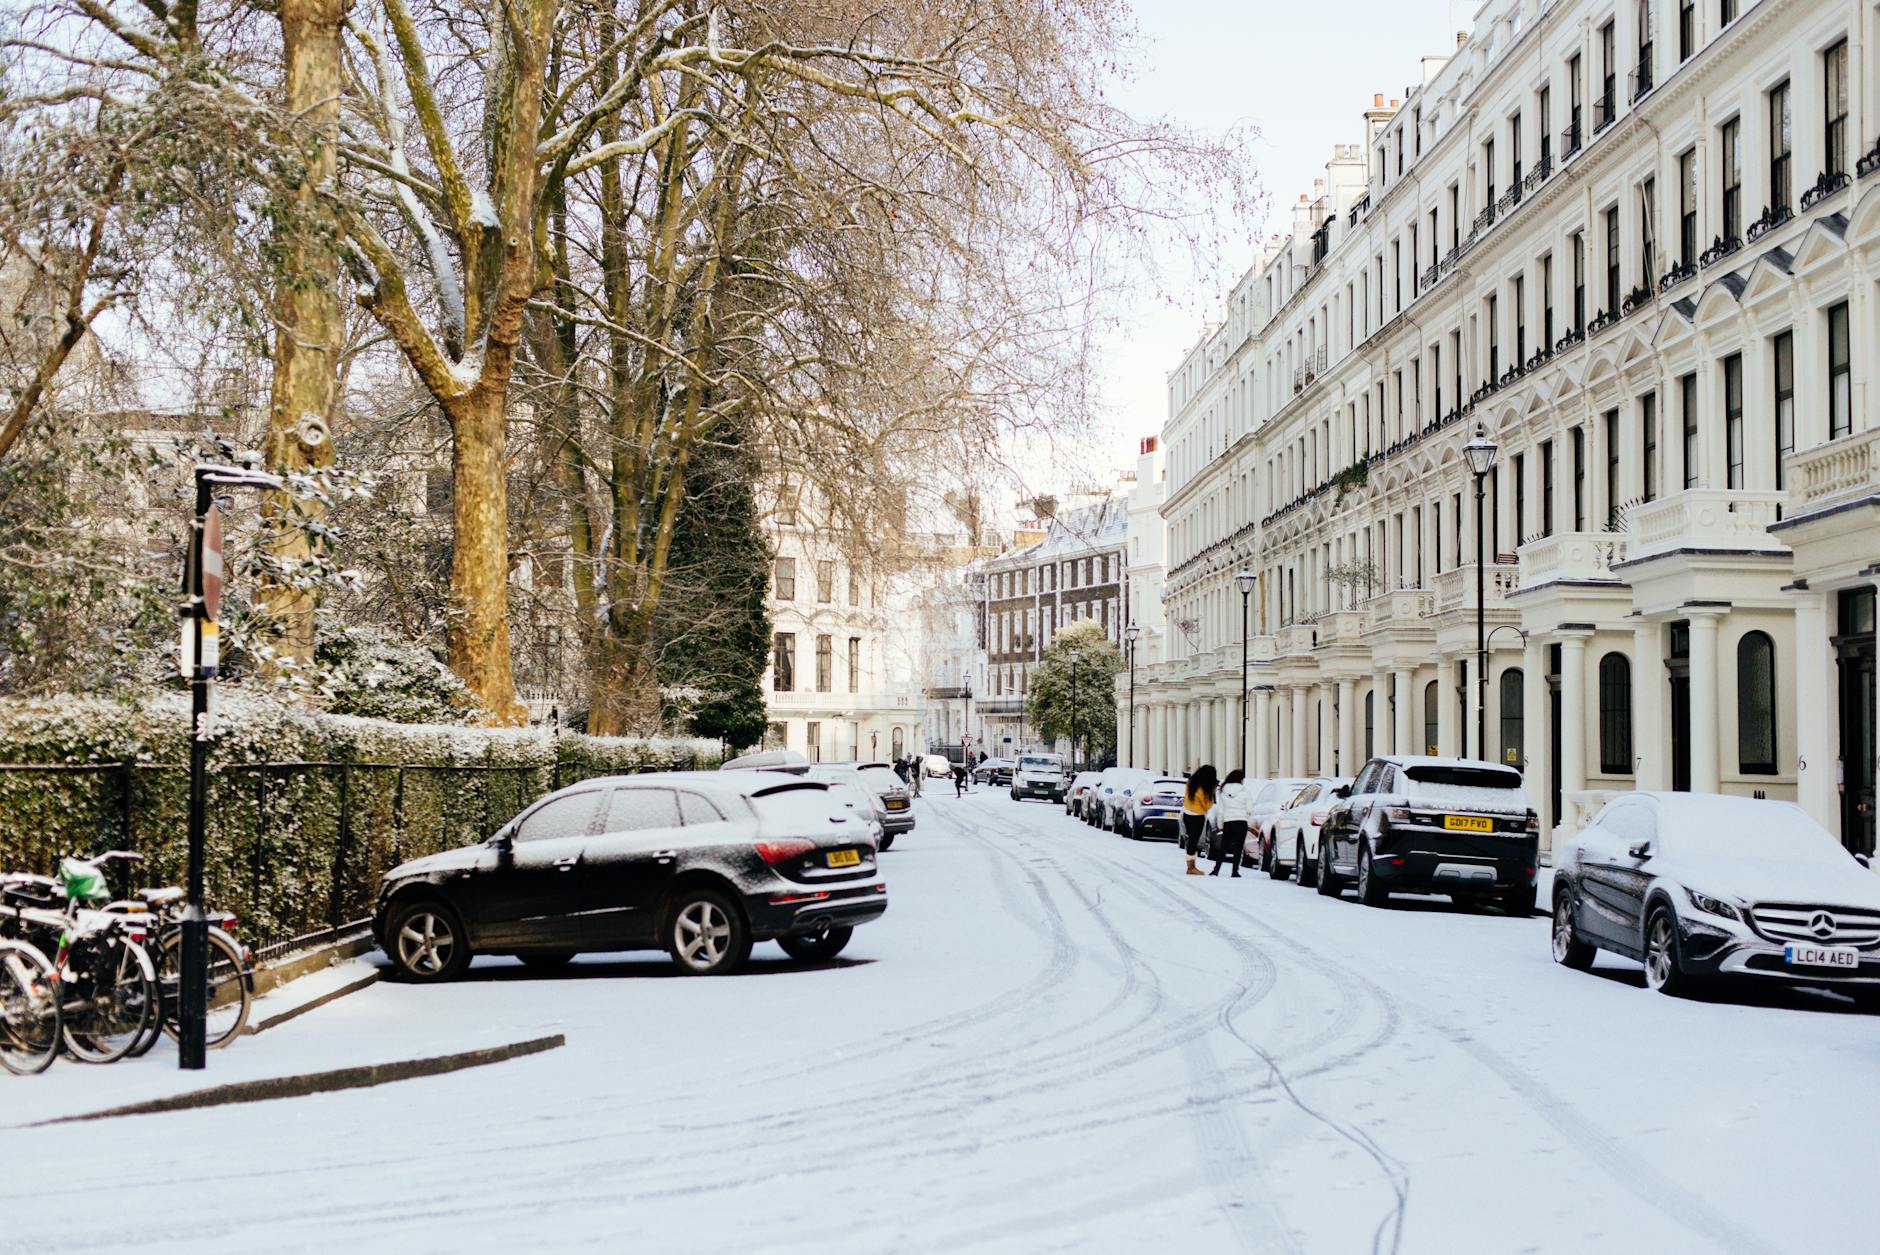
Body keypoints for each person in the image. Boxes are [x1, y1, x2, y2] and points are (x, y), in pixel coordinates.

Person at [1210, 769, 1252, 878]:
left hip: (1228, 822)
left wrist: (1220, 825)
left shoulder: (1223, 792)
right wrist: (1247, 818)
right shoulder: (1245, 792)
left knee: (1223, 847)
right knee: (1238, 848)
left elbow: (1220, 811)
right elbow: (1249, 809)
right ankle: (1235, 871)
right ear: (1240, 780)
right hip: (1241, 822)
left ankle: (1216, 870)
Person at [1180, 764, 1218, 876]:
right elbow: (1207, 805)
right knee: (1193, 841)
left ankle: (1190, 866)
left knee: (1191, 841)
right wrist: (1212, 793)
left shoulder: (1190, 783)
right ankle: (1191, 867)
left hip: (1186, 814)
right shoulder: (1203, 789)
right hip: (1197, 816)